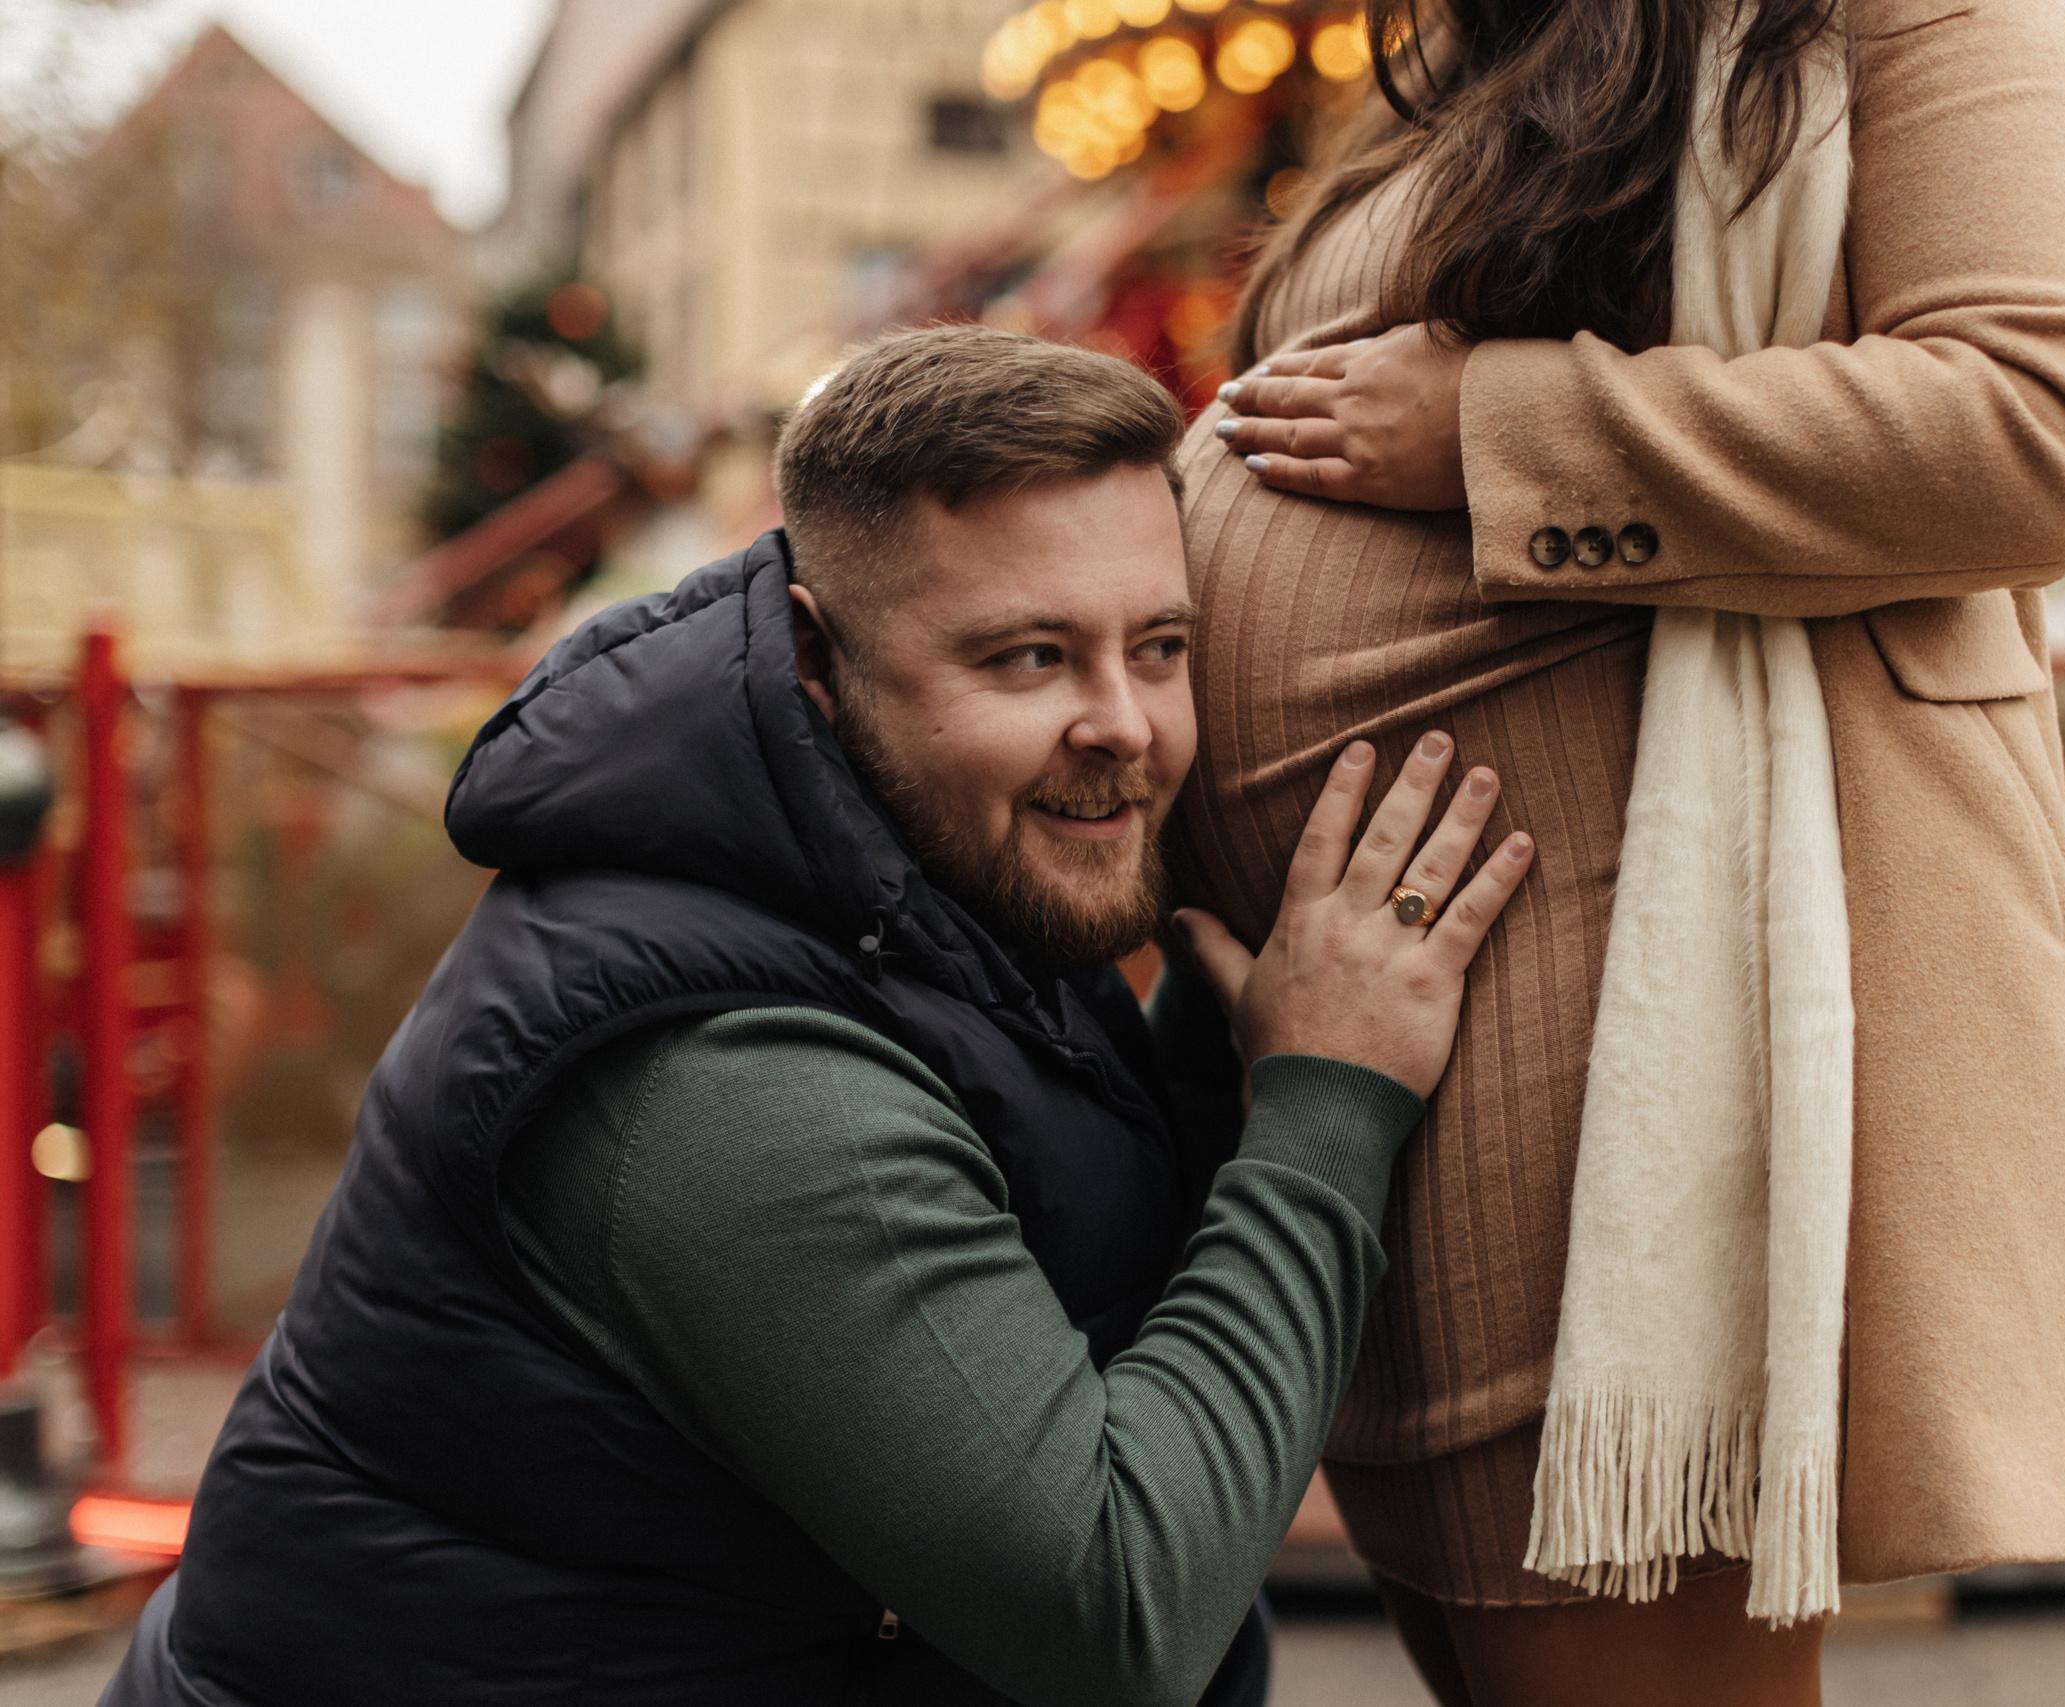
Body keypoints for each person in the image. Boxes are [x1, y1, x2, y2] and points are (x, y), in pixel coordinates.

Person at [102, 326, 1535, 1707]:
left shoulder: (925, 871)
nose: (1126, 727)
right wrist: (1326, 1099)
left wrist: (1241, 1047)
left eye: (1157, 647)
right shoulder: (726, 1075)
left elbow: (1063, 1218)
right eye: (1028, 658)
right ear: (812, 661)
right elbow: (1115, 1612)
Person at [1172, 0, 2065, 1701]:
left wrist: (1501, 429)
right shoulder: (1485, 50)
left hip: (1627, 1014)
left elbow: (2038, 427)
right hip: (1375, 1041)